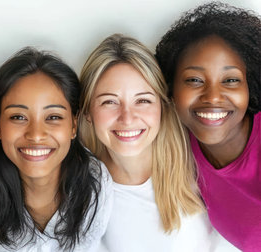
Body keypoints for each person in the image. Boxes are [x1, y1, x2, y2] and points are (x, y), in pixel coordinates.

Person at [79, 34, 237, 251]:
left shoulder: (200, 161)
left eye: (143, 100)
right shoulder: (81, 191)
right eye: (109, 102)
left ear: (162, 106)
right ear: (88, 112)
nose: (127, 118)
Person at [0, 48, 108, 251]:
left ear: (73, 125)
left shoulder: (96, 182)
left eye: (53, 117)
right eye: (18, 117)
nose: (36, 134)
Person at [155, 2, 261, 251]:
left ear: (250, 86)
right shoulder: (177, 149)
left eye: (231, 80)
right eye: (194, 80)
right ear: (171, 90)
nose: (213, 97)